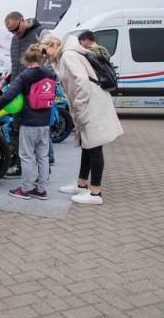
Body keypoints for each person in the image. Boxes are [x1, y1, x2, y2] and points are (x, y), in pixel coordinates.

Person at [39, 35, 123, 204]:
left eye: (45, 51)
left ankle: (95, 193)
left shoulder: (68, 55)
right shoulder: (67, 54)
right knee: (88, 145)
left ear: (53, 44)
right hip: (91, 103)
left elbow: (82, 81)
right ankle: (81, 184)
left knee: (94, 147)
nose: (45, 55)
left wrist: (80, 105)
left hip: (91, 104)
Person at [0, 44, 54, 200]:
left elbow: (9, 95)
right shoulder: (49, 74)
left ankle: (25, 189)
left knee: (26, 156)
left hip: (29, 122)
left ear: (26, 61)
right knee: (43, 156)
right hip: (45, 122)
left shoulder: (24, 76)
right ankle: (42, 190)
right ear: (41, 59)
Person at [0, 12, 46, 178]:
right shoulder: (15, 39)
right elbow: (15, 66)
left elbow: (51, 58)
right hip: (18, 90)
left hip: (33, 91)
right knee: (19, 128)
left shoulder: (41, 32)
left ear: (22, 20)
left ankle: (28, 167)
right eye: (11, 32)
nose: (15, 34)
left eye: (16, 29)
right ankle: (27, 164)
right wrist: (3, 83)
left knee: (32, 130)